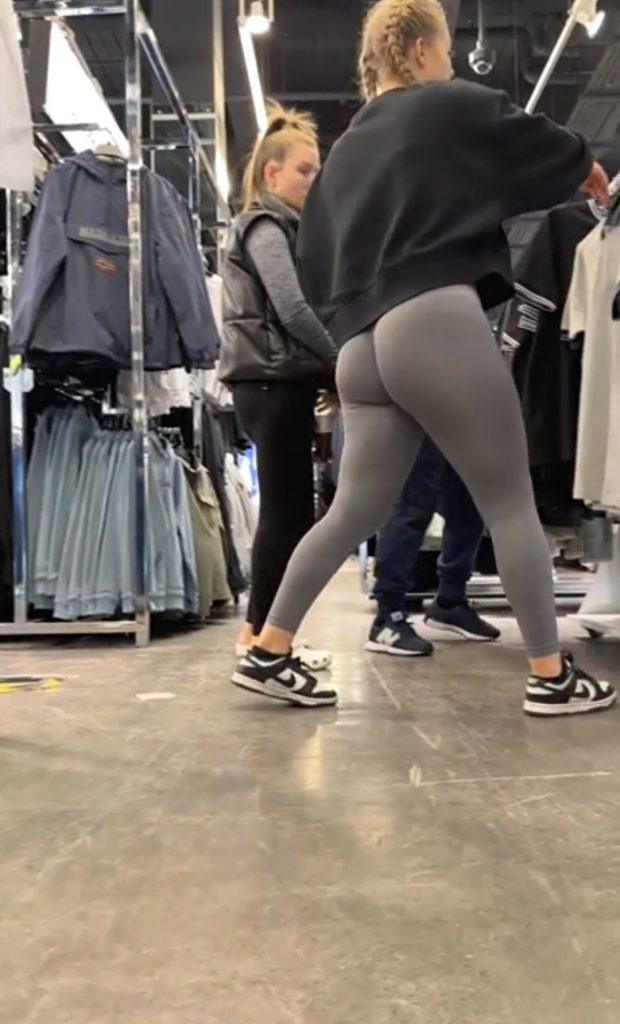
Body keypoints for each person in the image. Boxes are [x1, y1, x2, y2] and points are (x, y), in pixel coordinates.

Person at [231, 0, 616, 718]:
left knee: (352, 510)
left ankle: (268, 647)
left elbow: (312, 257)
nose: (449, 62)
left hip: (361, 346)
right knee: (509, 500)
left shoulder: (345, 153)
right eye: (444, 50)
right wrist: (588, 169)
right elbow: (537, 141)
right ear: (416, 51)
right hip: (433, 317)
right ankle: (551, 675)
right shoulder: (445, 104)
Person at [220, 104, 338, 671]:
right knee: (286, 514)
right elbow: (291, 309)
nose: (314, 181)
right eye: (304, 170)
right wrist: (339, 364)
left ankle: (263, 633)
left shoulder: (280, 226)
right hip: (272, 381)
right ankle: (260, 640)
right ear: (272, 173)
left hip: (271, 381)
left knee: (288, 512)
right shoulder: (266, 226)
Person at [367, 438, 500, 657]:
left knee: (469, 503)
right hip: (422, 419)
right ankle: (387, 616)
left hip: (463, 421)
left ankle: (450, 602)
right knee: (414, 502)